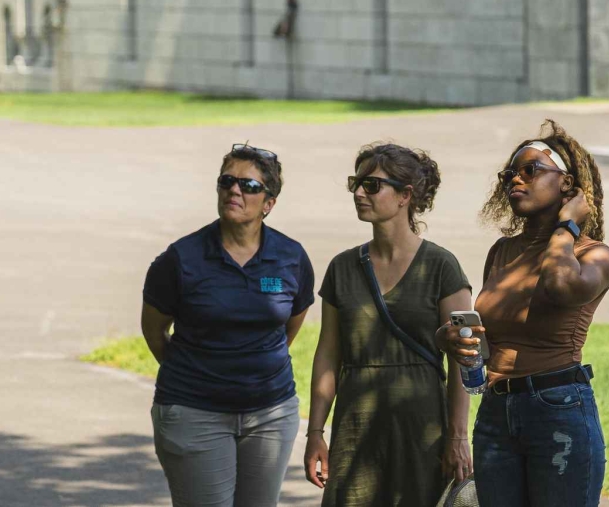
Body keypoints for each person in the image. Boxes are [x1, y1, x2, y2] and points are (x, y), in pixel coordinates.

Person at [441, 120, 609, 507]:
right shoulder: (502, 251)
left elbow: (560, 285)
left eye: (530, 171)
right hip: (495, 411)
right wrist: (453, 341)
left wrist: (566, 226)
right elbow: (492, 338)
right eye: (509, 174)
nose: (514, 181)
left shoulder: (595, 255)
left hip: (557, 409)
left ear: (567, 184)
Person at [141, 144, 315, 507]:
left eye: (249, 186)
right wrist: (200, 373)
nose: (235, 190)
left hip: (271, 414)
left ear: (269, 203)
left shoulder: (290, 257)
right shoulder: (181, 258)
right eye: (227, 181)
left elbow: (290, 325)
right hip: (194, 412)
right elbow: (154, 331)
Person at [304, 143, 473, 507]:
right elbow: (328, 356)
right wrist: (315, 433)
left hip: (422, 427)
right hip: (356, 427)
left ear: (404, 196)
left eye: (372, 185)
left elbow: (464, 358)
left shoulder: (442, 266)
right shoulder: (342, 267)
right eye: (356, 183)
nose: (359, 194)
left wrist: (458, 437)